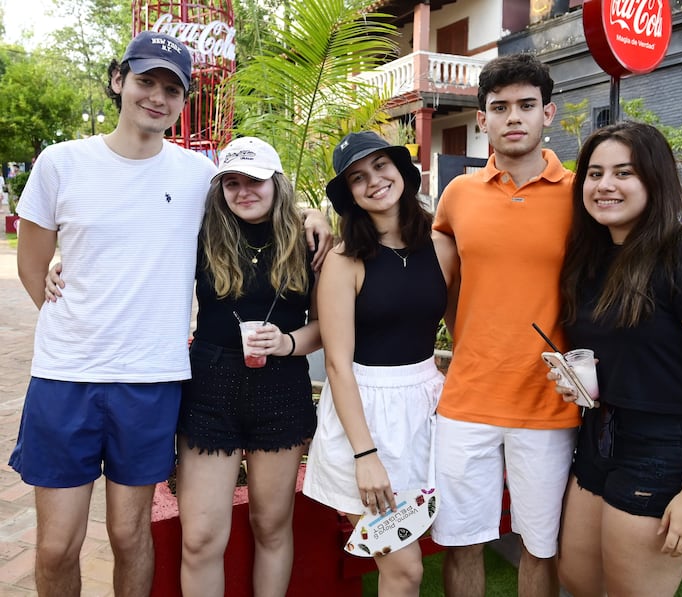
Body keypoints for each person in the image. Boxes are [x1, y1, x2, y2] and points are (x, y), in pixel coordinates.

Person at [12, 31, 331, 597]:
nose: (156, 97)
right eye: (145, 81)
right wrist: (77, 317)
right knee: (57, 546)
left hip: (151, 379)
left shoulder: (196, 176)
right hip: (66, 377)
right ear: (119, 81)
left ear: (184, 100)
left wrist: (316, 216)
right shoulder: (60, 163)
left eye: (171, 88)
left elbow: (259, 195)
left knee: (131, 534)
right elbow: (33, 267)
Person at [554, 122, 682, 597]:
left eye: (624, 172)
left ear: (655, 179)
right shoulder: (594, 258)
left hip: (667, 450)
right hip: (599, 438)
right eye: (594, 173)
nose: (605, 185)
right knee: (578, 580)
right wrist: (579, 383)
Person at [430, 53, 581, 597]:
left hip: (548, 404)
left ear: (549, 113)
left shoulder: (582, 194)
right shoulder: (457, 196)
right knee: (461, 540)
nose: (513, 117)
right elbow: (443, 283)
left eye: (526, 105)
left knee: (539, 545)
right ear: (481, 120)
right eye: (499, 108)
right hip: (467, 397)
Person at [302, 131, 459, 596]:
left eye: (381, 167)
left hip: (427, 409)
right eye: (357, 177)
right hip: (363, 415)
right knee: (404, 567)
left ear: (402, 171)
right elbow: (336, 364)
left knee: (418, 555)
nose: (373, 181)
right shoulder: (343, 261)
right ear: (349, 195)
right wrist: (365, 456)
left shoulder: (443, 248)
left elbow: (462, 333)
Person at [175, 136, 321, 597]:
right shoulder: (200, 235)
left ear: (276, 183)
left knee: (272, 526)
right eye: (232, 182)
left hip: (281, 387)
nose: (244, 191)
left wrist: (288, 341)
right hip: (209, 386)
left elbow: (325, 326)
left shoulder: (309, 241)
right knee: (199, 539)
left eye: (254, 180)